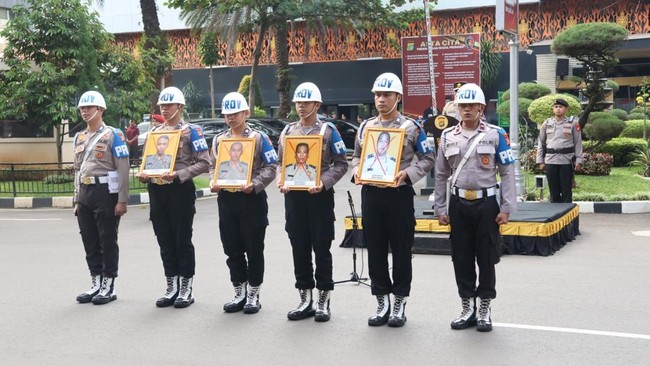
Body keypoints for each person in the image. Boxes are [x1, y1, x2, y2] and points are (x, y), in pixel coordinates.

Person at [352, 72, 435, 327]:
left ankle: (399, 300)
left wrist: (407, 174)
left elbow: (428, 159)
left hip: (399, 194)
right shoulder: (366, 127)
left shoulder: (411, 128)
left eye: (387, 95)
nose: (381, 100)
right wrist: (356, 169)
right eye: (377, 95)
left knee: (401, 250)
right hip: (372, 195)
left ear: (398, 97)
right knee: (375, 249)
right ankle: (381, 299)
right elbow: (355, 156)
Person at [433, 83, 516, 332]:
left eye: (471, 105)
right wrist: (440, 208)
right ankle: (467, 306)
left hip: (487, 204)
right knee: (461, 256)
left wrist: (507, 207)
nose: (466, 109)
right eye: (462, 106)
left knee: (487, 257)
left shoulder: (496, 134)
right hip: (458, 203)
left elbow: (507, 172)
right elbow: (440, 174)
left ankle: (484, 308)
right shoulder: (448, 136)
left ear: (481, 108)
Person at [277, 82, 348, 322]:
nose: (301, 106)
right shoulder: (287, 132)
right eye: (298, 102)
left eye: (306, 103)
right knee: (299, 248)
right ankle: (304, 298)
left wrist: (324, 182)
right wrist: (281, 180)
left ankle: (323, 300)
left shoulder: (328, 131)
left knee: (321, 248)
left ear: (317, 105)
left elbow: (341, 164)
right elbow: (280, 163)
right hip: (294, 199)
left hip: (319, 197)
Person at [136, 86, 210, 309]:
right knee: (164, 239)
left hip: (179, 189)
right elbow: (147, 161)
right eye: (162, 106)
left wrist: (179, 174)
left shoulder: (192, 132)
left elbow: (205, 162)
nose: (165, 109)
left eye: (169, 105)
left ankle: (186, 287)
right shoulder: (154, 133)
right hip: (157, 191)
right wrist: (143, 175)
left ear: (180, 107)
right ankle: (171, 285)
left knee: (182, 240)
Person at [210, 91, 278, 314]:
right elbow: (213, 165)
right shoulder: (220, 140)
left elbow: (271, 167)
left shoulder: (259, 138)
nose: (231, 118)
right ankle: (238, 290)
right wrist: (214, 179)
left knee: (254, 248)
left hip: (252, 199)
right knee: (231, 247)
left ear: (246, 113)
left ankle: (253, 293)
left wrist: (255, 184)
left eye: (236, 113)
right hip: (227, 199)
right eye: (227, 114)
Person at [73, 90, 130, 305]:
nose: (85, 111)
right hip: (85, 193)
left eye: (89, 108)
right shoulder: (79, 137)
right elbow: (77, 170)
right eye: (82, 108)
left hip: (105, 192)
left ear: (101, 110)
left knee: (107, 239)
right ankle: (95, 281)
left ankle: (108, 284)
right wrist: (77, 199)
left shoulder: (114, 135)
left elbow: (123, 168)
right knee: (89, 239)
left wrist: (122, 200)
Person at [536, 98, 583, 203]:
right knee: (553, 190)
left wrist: (579, 160)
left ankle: (567, 215)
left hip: (566, 160)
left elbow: (578, 143)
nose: (558, 109)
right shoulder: (547, 123)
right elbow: (541, 143)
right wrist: (540, 160)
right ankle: (556, 215)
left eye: (561, 107)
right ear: (553, 109)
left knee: (566, 190)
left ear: (566, 109)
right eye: (556, 107)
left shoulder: (573, 123)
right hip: (550, 160)